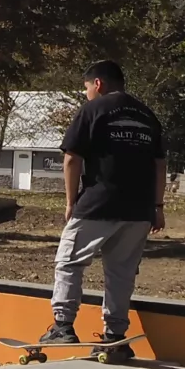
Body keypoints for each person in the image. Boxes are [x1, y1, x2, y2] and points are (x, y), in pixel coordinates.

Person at [41, 61, 165, 350]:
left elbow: (72, 158)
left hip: (98, 203)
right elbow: (160, 164)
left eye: (86, 88)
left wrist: (71, 201)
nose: (86, 94)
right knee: (121, 271)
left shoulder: (92, 110)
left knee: (69, 262)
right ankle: (115, 336)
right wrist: (157, 207)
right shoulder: (147, 115)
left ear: (98, 84)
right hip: (139, 210)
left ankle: (62, 326)